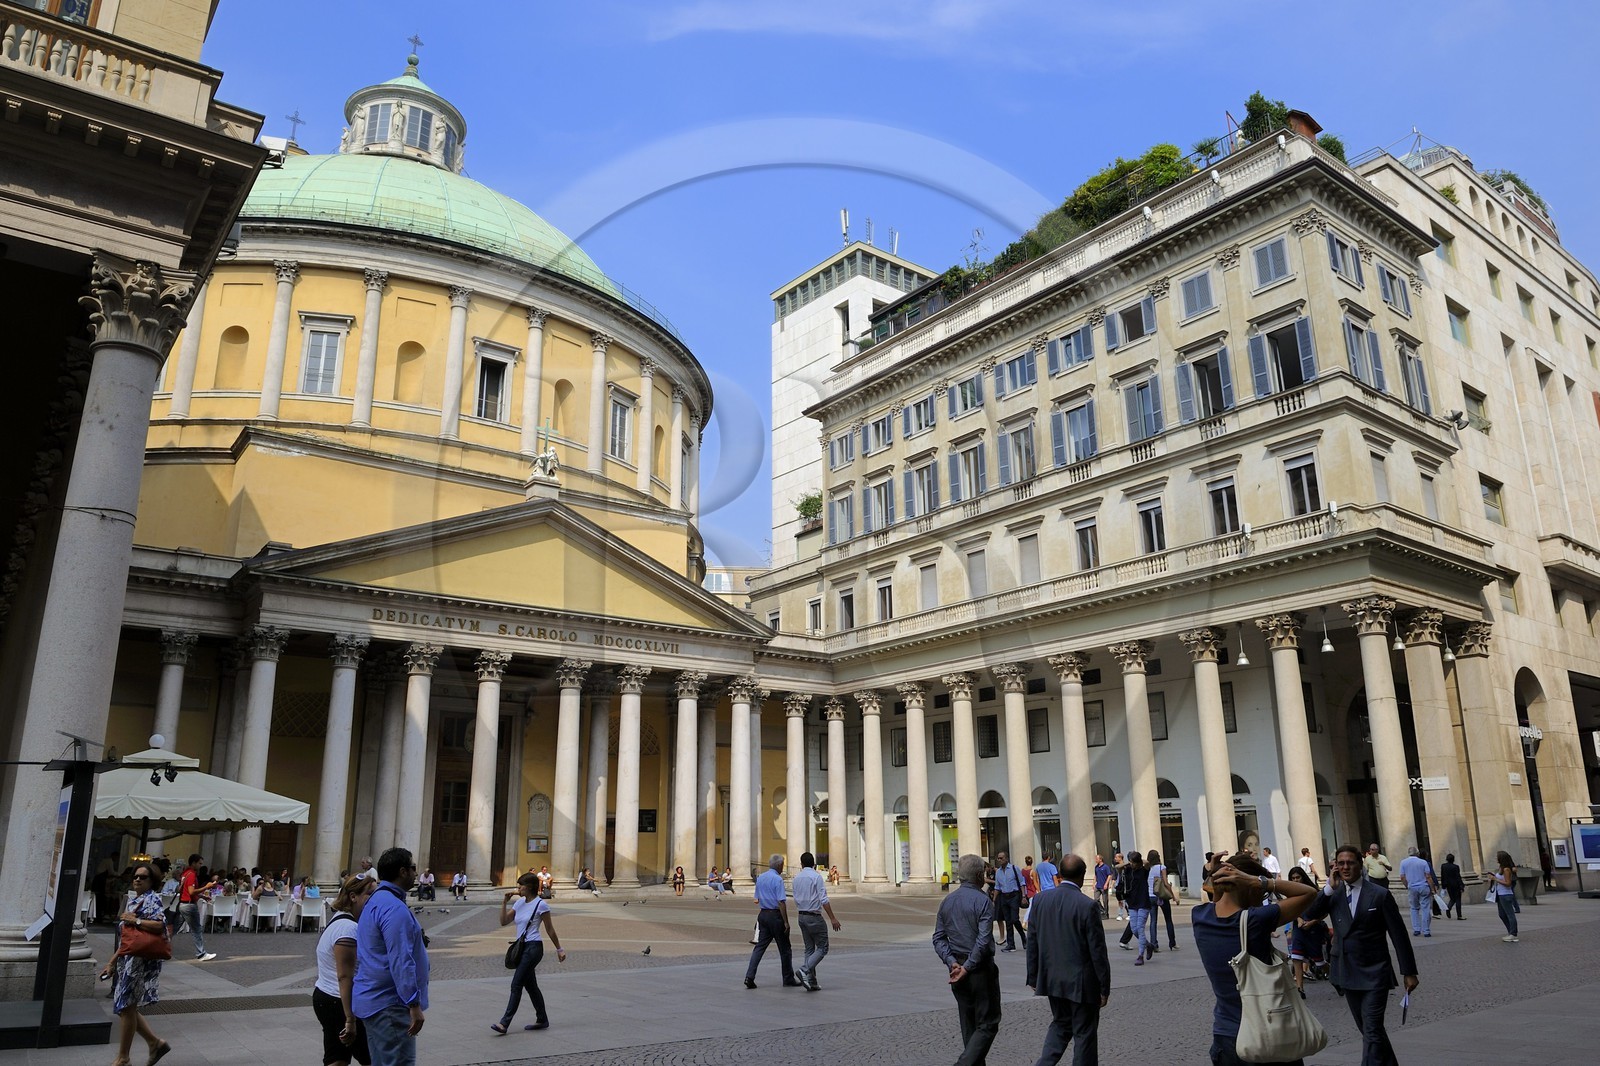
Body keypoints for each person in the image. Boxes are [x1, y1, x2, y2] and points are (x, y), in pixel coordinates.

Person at [1193, 852, 1319, 1065]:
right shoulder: (1255, 921)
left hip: (1227, 1036)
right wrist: (1260, 881)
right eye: (1259, 894)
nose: (1261, 899)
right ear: (1247, 886)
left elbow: (1216, 898)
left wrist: (1214, 874)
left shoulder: (1199, 915)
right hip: (1268, 1035)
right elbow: (1309, 893)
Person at [1303, 843, 1419, 1066]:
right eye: (1341, 863)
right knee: (1368, 1030)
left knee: (1373, 1029)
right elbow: (1310, 914)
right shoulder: (1334, 893)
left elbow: (1399, 935)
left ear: (1360, 865)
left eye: (1350, 863)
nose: (1345, 867)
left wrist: (1409, 972)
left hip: (1375, 971)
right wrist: (1328, 888)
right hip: (1346, 970)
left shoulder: (1379, 894)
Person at [1025, 853, 1109, 1066]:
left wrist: (1033, 975)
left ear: (1060, 874)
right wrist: (1104, 987)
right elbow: (1097, 951)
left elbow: (1032, 941)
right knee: (1084, 1034)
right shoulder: (1088, 905)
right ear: (1082, 876)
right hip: (1081, 983)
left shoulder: (1041, 900)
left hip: (1052, 978)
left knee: (1060, 1025)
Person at [354, 848, 430, 1066]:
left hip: (375, 999)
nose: (416, 873)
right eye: (413, 868)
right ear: (403, 871)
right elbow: (400, 960)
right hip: (390, 1003)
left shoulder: (376, 900)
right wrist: (413, 1003)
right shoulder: (393, 907)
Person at [932, 854, 1000, 1066]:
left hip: (958, 967)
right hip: (978, 969)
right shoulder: (983, 901)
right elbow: (983, 940)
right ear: (980, 875)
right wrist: (967, 967)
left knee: (969, 1024)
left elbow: (938, 938)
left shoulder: (947, 901)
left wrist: (952, 961)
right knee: (988, 1023)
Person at [109, 864, 172, 1066]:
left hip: (139, 963)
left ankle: (123, 1057)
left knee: (126, 1007)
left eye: (143, 877)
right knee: (126, 1008)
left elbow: (159, 925)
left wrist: (135, 920)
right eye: (135, 876)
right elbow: (129, 938)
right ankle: (155, 1044)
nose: (137, 880)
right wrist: (112, 961)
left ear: (151, 881)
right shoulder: (134, 900)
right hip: (129, 960)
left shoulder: (151, 899)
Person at [491, 871, 567, 1033]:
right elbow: (504, 921)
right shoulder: (519, 904)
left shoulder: (541, 905)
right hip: (521, 947)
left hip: (534, 948)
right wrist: (504, 903)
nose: (518, 888)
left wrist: (559, 949)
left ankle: (504, 1023)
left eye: (521, 885)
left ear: (530, 886)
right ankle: (542, 1019)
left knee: (516, 983)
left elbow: (550, 929)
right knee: (531, 986)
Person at [314, 875, 377, 1066]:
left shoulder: (340, 920)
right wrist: (350, 1019)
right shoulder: (348, 929)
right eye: (370, 894)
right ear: (353, 896)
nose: (374, 899)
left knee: (337, 1057)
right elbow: (345, 976)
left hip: (327, 997)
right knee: (374, 1058)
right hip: (339, 1002)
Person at [744, 854, 799, 989]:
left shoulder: (761, 878)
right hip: (775, 916)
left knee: (759, 947)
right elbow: (781, 902)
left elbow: (756, 898)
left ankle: (749, 976)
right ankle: (788, 978)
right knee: (785, 948)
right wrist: (786, 922)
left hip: (763, 914)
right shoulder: (777, 879)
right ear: (780, 865)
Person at [791, 850, 842, 991]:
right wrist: (832, 918)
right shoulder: (816, 877)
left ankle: (811, 981)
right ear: (813, 863)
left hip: (801, 915)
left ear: (801, 864)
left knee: (809, 948)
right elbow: (823, 899)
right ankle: (804, 970)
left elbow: (794, 897)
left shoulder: (797, 878)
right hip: (814, 916)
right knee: (822, 947)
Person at [176, 853, 217, 962]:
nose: (200, 866)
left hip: (182, 903)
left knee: (174, 928)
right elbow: (191, 891)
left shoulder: (185, 873)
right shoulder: (192, 874)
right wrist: (206, 887)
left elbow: (183, 890)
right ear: (193, 863)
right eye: (199, 863)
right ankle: (201, 953)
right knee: (196, 930)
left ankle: (160, 948)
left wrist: (201, 895)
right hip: (189, 905)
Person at [1398, 846, 1437, 937]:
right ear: (1417, 853)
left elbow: (1402, 877)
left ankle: (1416, 929)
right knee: (1425, 908)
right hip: (1423, 886)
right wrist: (1432, 888)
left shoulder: (1403, 862)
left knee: (1414, 908)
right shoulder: (1423, 862)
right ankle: (1426, 930)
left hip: (1412, 886)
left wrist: (1407, 885)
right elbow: (1428, 876)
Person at [991, 850, 1026, 952]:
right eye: (998, 858)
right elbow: (997, 887)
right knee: (1008, 921)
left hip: (1014, 896)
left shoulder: (1014, 869)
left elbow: (1022, 883)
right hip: (1004, 897)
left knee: (1015, 919)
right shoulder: (998, 872)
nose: (999, 860)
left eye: (1001, 858)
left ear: (1006, 858)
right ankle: (1011, 944)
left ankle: (1023, 937)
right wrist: (994, 900)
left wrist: (1023, 896)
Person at [1120, 851, 1151, 962]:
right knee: (1134, 929)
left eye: (1134, 863)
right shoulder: (1128, 870)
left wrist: (1138, 860)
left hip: (1143, 902)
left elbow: (1147, 862)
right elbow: (1117, 866)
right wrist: (1128, 863)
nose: (1132, 865)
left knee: (1140, 928)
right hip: (1132, 903)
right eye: (1131, 862)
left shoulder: (1144, 871)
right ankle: (1148, 945)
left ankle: (1140, 955)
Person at [1146, 849, 1177, 951]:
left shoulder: (1148, 868)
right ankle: (1172, 943)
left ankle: (1154, 944)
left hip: (1151, 896)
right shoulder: (1161, 867)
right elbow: (1166, 883)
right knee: (1168, 919)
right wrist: (1173, 896)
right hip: (1161, 896)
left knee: (1153, 921)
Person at [1486, 850, 1518, 942]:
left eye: (1497, 857)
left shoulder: (1506, 869)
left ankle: (1513, 934)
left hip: (1506, 894)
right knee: (1502, 914)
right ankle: (1510, 932)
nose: (1496, 858)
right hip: (1500, 894)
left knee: (1510, 914)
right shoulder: (1501, 868)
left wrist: (1495, 879)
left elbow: (1508, 883)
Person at [1439, 853, 1465, 920]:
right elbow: (1458, 877)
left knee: (1452, 898)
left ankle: (1448, 908)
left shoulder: (1443, 866)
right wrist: (1461, 886)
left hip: (1448, 885)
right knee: (1458, 900)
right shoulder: (1455, 867)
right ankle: (1459, 915)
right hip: (1456, 885)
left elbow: (1443, 876)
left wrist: (1443, 885)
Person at [1092, 854, 1113, 919]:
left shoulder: (1106, 867)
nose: (1095, 860)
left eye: (1097, 859)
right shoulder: (1096, 867)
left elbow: (1109, 875)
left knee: (1105, 901)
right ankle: (1102, 910)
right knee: (1096, 900)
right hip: (1098, 886)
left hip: (1103, 885)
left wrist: (1106, 884)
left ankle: (1106, 914)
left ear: (1100, 859)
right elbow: (1095, 876)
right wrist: (1093, 883)